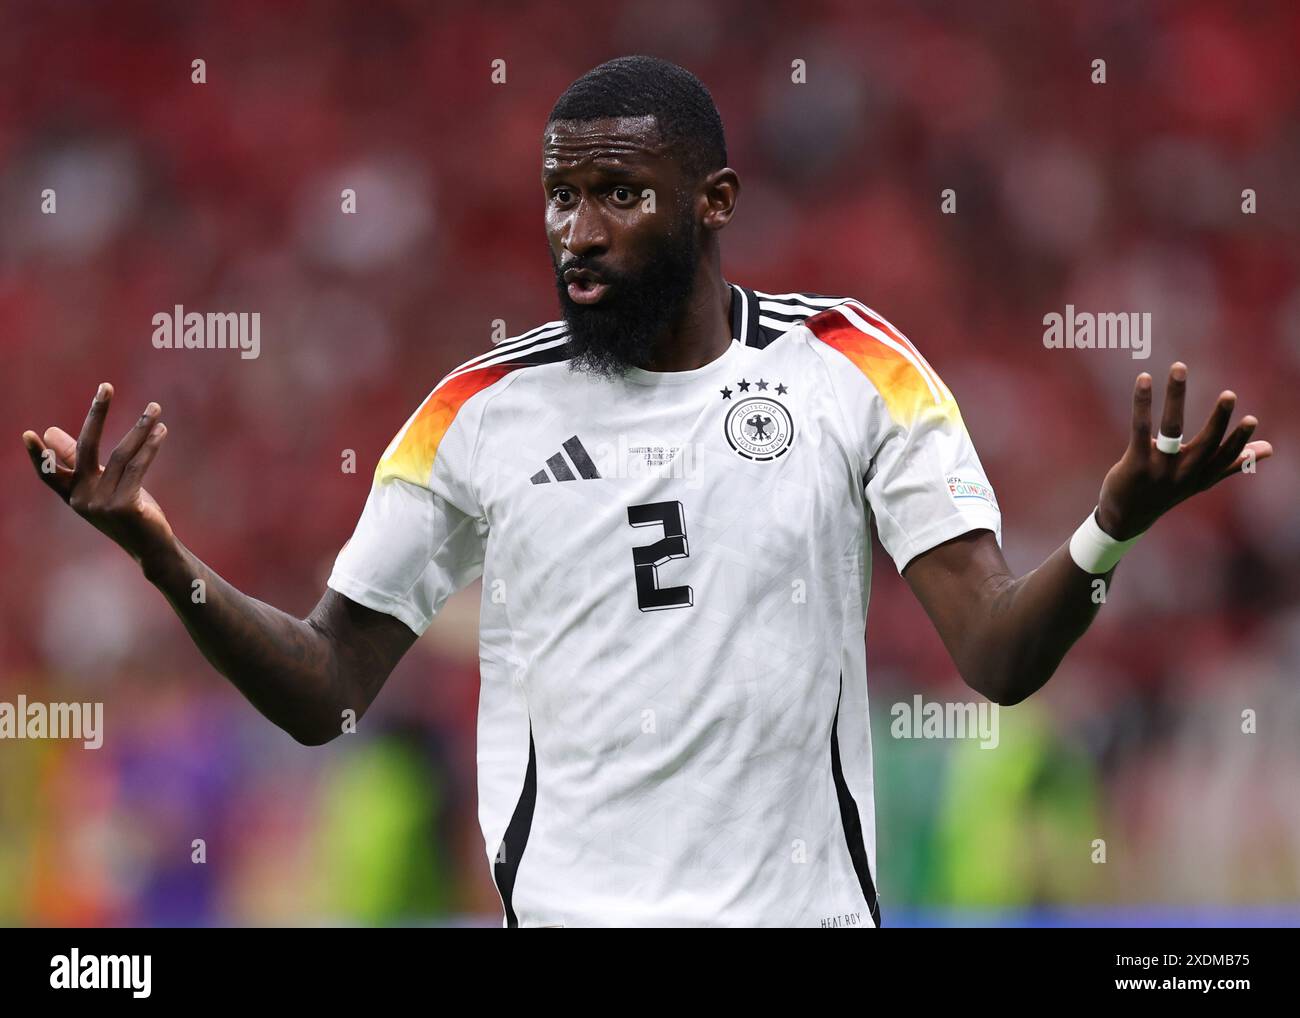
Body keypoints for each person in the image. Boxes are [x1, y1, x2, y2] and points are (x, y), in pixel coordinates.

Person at [22, 56, 1272, 928]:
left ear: (713, 203)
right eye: (562, 195)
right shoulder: (474, 414)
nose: (577, 228)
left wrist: (1113, 523)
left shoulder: (852, 369)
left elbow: (996, 657)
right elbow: (324, 690)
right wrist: (159, 554)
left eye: (618, 193)